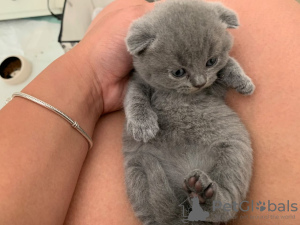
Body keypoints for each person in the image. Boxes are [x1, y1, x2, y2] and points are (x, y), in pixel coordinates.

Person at [0, 0, 299, 224]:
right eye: (179, 72)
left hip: (212, 142)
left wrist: (231, 72)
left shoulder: (212, 44)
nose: (199, 81)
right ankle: (175, 213)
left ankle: (216, 202)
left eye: (209, 64)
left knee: (234, 149)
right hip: (160, 153)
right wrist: (135, 110)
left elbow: (220, 62)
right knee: (141, 170)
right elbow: (137, 91)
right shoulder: (144, 66)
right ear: (140, 50)